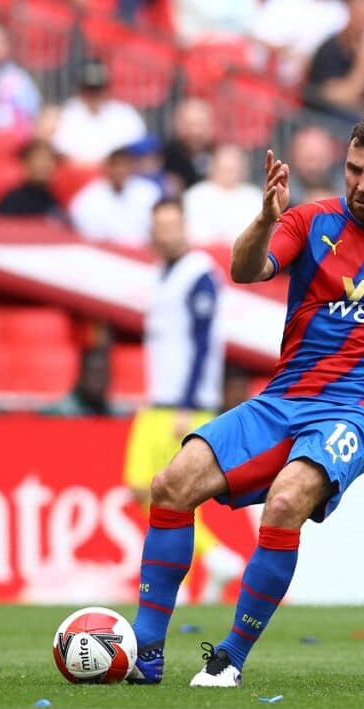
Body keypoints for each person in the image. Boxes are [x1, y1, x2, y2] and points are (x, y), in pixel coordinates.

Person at [127, 115, 364, 688]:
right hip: (286, 395)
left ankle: (228, 659)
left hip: (359, 405)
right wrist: (264, 220)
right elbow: (246, 268)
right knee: (170, 485)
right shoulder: (308, 220)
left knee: (285, 502)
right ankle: (145, 653)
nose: (360, 183)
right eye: (353, 168)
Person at [122, 198, 241, 606]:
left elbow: (205, 341)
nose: (167, 233)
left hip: (180, 405)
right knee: (152, 490)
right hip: (159, 400)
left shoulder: (199, 275)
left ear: (185, 227)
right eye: (161, 226)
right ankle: (214, 562)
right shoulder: (160, 274)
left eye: (174, 224)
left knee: (161, 492)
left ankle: (209, 562)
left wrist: (190, 404)